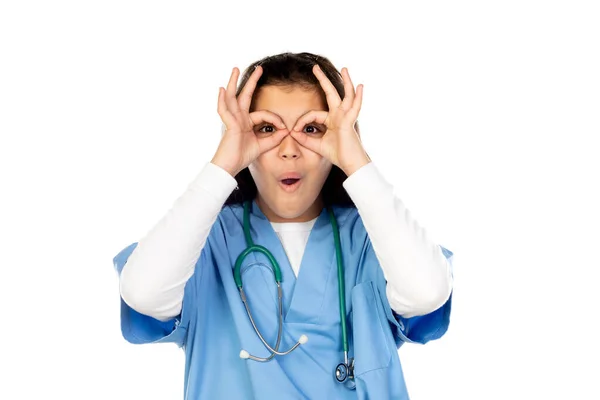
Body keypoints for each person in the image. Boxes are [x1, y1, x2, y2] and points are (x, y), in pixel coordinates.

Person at [112, 52, 454, 399]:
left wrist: (357, 162)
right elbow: (143, 294)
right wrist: (223, 165)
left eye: (312, 129)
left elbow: (427, 293)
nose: (289, 150)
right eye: (267, 129)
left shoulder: (373, 238)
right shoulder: (205, 242)